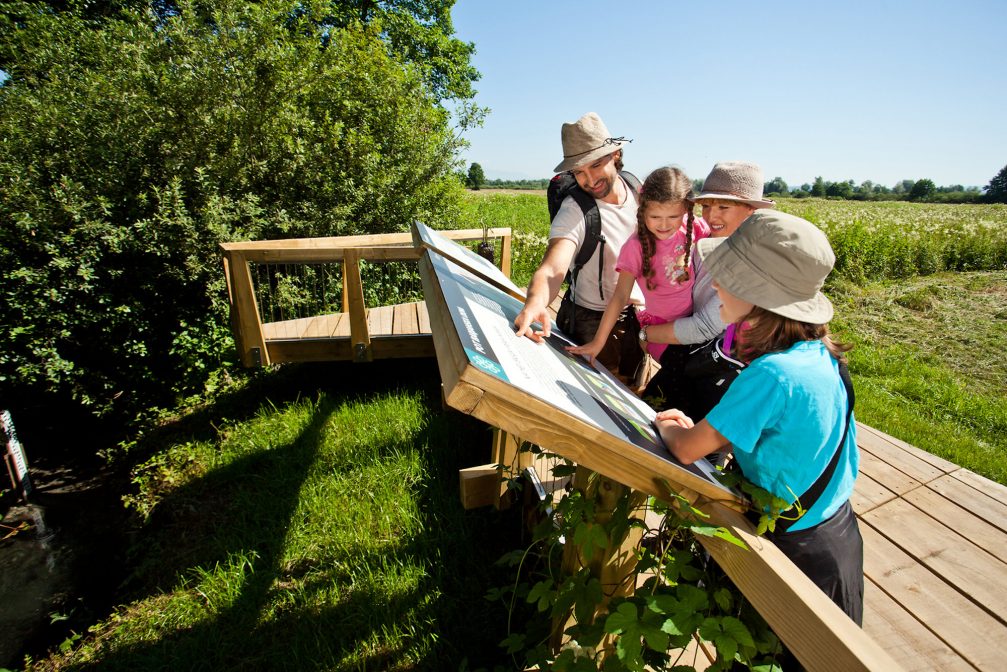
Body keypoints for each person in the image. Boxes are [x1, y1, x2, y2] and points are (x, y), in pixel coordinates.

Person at [654, 210, 864, 627]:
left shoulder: (769, 375)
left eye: (730, 277)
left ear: (762, 295)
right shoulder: (819, 356)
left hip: (791, 551)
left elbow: (687, 450)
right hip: (835, 533)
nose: (715, 284)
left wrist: (669, 426)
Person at [513, 112, 643, 379]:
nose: (588, 180)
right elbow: (552, 269)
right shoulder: (575, 210)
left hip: (637, 318)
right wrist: (535, 303)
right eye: (578, 172)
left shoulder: (638, 192)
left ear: (615, 154)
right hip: (590, 323)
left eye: (595, 165)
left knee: (636, 390)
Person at [642, 161, 775, 418]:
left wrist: (644, 334)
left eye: (724, 207)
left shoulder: (747, 259)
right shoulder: (706, 243)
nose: (712, 215)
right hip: (691, 358)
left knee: (693, 445)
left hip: (718, 369)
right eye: (706, 206)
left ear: (750, 210)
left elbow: (704, 326)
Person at [567, 166, 709, 371]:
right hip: (659, 328)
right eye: (655, 217)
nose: (664, 225)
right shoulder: (636, 247)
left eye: (673, 217)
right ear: (643, 211)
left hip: (694, 318)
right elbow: (620, 295)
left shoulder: (690, 226)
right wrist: (598, 342)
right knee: (679, 369)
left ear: (686, 210)